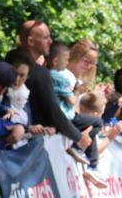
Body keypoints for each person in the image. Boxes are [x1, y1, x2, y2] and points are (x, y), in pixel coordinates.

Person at [16, 20, 89, 150]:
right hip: (29, 146)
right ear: (31, 41)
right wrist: (78, 137)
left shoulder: (11, 61)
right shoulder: (39, 74)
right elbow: (53, 112)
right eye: (45, 38)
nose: (50, 41)